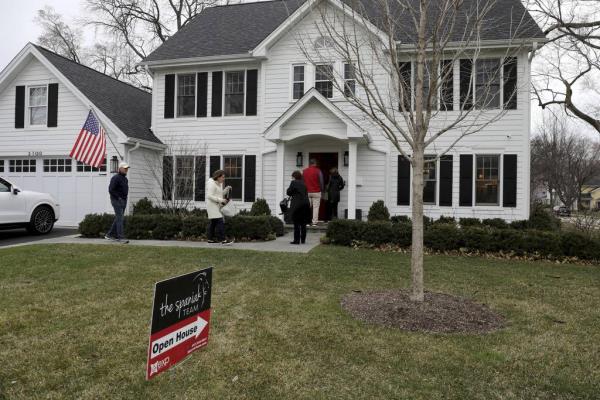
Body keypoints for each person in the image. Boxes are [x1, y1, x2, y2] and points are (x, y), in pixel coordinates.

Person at [206, 170, 234, 245]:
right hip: (212, 206)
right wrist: (221, 200)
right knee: (220, 221)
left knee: (213, 222)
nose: (223, 179)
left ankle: (210, 239)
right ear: (218, 177)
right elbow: (209, 195)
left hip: (216, 205)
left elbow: (219, 194)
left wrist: (226, 189)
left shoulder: (218, 184)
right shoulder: (211, 184)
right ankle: (223, 240)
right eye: (222, 177)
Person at [106, 161, 130, 244]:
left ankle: (109, 235)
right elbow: (111, 190)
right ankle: (120, 237)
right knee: (120, 218)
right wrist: (118, 198)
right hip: (116, 200)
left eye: (127, 168)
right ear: (120, 169)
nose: (126, 170)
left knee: (118, 218)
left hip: (123, 200)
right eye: (125, 168)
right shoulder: (115, 178)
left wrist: (124, 199)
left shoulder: (125, 179)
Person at [287, 171, 311, 244]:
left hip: (297, 205)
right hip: (306, 204)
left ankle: (296, 240)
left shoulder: (293, 182)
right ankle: (303, 240)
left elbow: (288, 192)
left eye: (292, 176)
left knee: (296, 223)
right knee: (303, 223)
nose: (292, 178)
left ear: (294, 176)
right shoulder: (304, 183)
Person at [303, 159, 324, 226]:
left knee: (307, 207)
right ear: (315, 163)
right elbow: (321, 181)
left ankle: (307, 222)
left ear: (309, 163)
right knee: (316, 207)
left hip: (307, 191)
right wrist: (322, 189)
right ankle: (314, 222)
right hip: (316, 191)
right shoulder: (318, 171)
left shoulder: (304, 171)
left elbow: (303, 181)